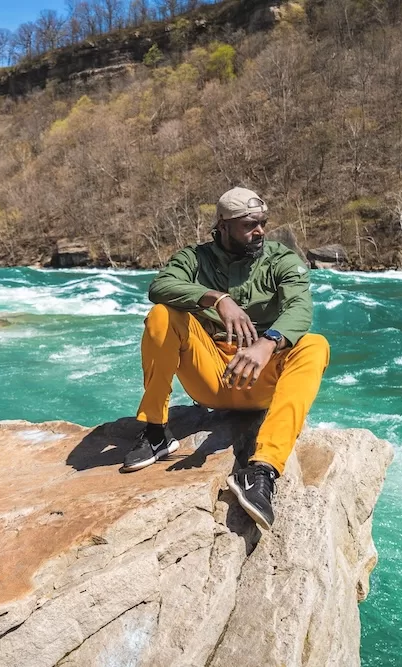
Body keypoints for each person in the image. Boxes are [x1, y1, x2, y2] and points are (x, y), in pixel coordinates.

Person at [122, 186, 330, 530]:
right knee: (161, 315)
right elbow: (160, 286)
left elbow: (300, 309)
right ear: (222, 225)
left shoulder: (282, 260)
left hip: (262, 377)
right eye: (249, 224)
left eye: (263, 222)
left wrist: (268, 343)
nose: (260, 230)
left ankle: (261, 470)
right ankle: (157, 432)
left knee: (315, 345)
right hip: (212, 377)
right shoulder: (195, 258)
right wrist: (215, 298)